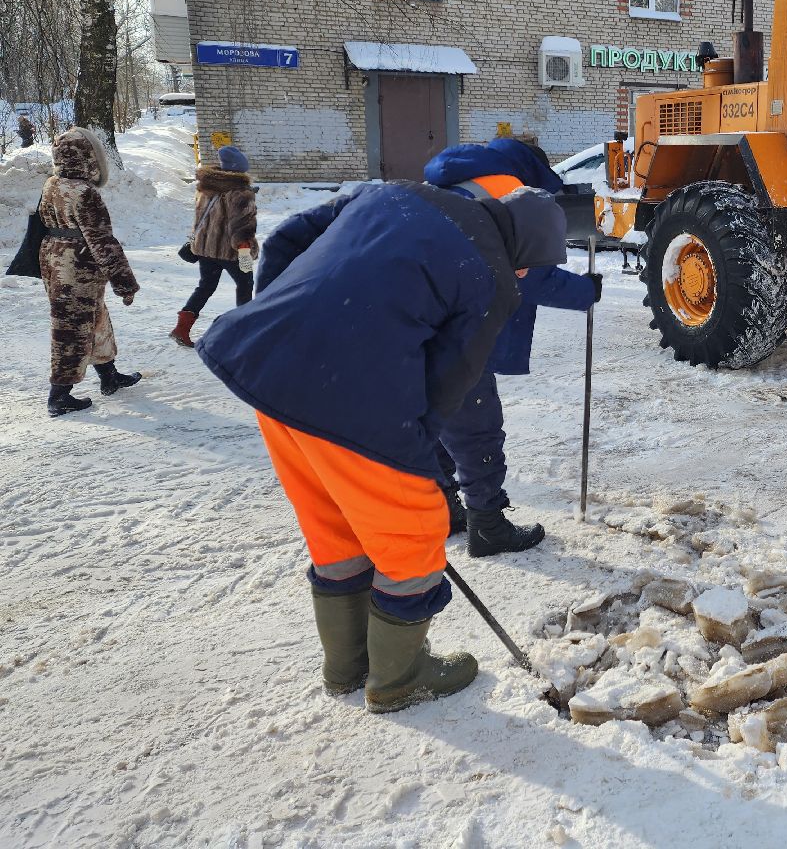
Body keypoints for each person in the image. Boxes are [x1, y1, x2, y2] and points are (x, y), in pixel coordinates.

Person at [195, 176, 566, 713]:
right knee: (414, 531)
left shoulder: (394, 193)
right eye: (531, 267)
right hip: (350, 398)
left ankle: (348, 665)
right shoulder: (493, 280)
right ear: (524, 255)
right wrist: (417, 460)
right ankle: (398, 677)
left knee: (337, 524)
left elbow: (283, 242)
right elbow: (450, 388)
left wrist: (285, 316)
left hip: (266, 367)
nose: (526, 276)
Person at [423, 137, 601, 558]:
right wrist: (585, 291)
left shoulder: (453, 181)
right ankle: (487, 525)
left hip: (418, 315)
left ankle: (442, 510)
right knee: (475, 425)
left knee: (435, 417)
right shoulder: (508, 192)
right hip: (459, 325)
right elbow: (528, 275)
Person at [37, 128, 142, 417]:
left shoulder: (53, 183)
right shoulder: (85, 193)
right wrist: (125, 283)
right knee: (71, 327)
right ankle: (59, 395)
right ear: (89, 157)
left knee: (95, 318)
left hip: (54, 257)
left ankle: (109, 376)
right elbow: (103, 242)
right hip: (77, 265)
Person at [170, 145, 257, 348]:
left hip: (206, 249)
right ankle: (245, 331)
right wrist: (245, 249)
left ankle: (182, 328)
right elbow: (243, 225)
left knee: (206, 286)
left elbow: (201, 217)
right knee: (245, 285)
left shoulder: (207, 188)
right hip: (233, 250)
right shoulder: (241, 192)